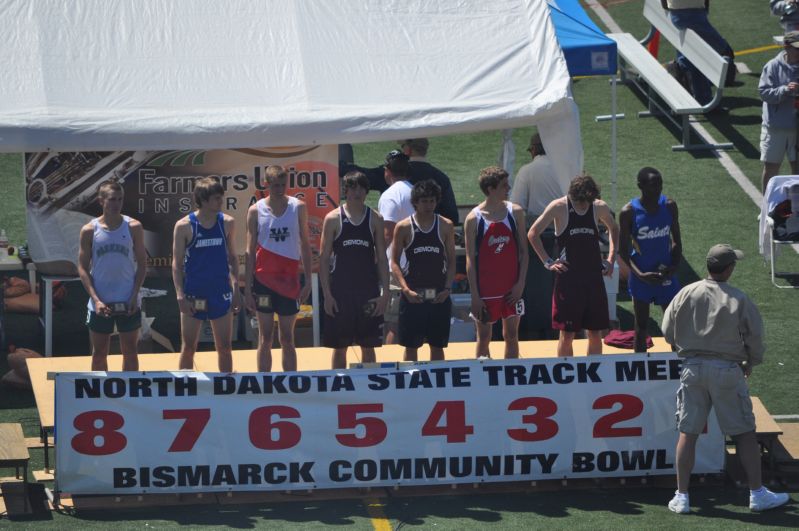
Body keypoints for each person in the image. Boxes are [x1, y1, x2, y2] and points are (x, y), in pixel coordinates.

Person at [662, 244, 791, 514]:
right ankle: (757, 493)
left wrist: (681, 348)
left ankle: (682, 495)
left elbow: (667, 328)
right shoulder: (738, 298)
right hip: (726, 370)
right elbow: (754, 338)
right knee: (744, 433)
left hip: (692, 368)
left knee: (688, 433)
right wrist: (749, 361)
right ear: (729, 269)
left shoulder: (687, 292)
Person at [528, 175, 618, 357]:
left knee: (595, 333)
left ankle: (594, 376)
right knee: (567, 334)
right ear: (573, 196)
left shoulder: (599, 207)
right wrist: (548, 262)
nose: (585, 206)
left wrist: (610, 259)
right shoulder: (559, 207)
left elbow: (614, 229)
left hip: (593, 279)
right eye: (581, 202)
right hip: (568, 281)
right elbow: (533, 233)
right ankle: (565, 377)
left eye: (588, 202)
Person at [244, 165, 312, 372]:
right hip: (264, 282)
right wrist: (247, 289)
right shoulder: (256, 211)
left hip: (289, 283)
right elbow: (249, 251)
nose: (280, 189)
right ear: (266, 185)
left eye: (283, 185)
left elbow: (306, 245)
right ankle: (264, 383)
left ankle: (290, 382)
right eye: (275, 186)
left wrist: (308, 281)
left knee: (287, 337)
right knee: (265, 337)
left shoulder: (298, 207)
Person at [319, 171, 390, 369]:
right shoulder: (333, 219)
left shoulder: (375, 218)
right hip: (341, 293)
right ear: (345, 190)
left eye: (361, 188)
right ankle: (338, 390)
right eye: (352, 188)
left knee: (368, 346)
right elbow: (324, 260)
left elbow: (383, 259)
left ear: (367, 191)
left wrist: (385, 293)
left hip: (367, 293)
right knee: (339, 346)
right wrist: (327, 295)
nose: (357, 192)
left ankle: (370, 386)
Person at [172, 177, 240, 372]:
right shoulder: (184, 225)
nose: (221, 202)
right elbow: (176, 265)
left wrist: (236, 289)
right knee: (189, 348)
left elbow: (233, 258)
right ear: (203, 200)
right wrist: (180, 296)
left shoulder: (227, 222)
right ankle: (184, 391)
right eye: (217, 198)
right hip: (194, 293)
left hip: (220, 292)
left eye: (221, 197)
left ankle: (226, 391)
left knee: (225, 348)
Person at [77, 179, 146, 371]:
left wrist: (134, 295)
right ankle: (99, 398)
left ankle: (130, 396)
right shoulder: (90, 231)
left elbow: (142, 263)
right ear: (101, 201)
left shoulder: (133, 227)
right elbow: (82, 268)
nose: (116, 204)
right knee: (99, 354)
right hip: (101, 301)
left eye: (120, 200)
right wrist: (96, 299)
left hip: (128, 299)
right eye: (112, 200)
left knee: (130, 351)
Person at [464, 166, 528, 359]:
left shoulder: (515, 213)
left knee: (511, 335)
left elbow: (524, 253)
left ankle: (512, 381)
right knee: (483, 337)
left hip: (511, 288)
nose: (508, 188)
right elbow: (470, 259)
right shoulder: (473, 219)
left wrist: (520, 285)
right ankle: (483, 383)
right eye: (504, 185)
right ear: (491, 189)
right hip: (486, 290)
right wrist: (475, 295)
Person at [391, 180, 456, 362]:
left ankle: (438, 387)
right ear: (415, 203)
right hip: (413, 296)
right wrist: (405, 289)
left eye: (432, 201)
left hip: (438, 296)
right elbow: (394, 262)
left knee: (437, 347)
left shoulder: (445, 225)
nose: (429, 205)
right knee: (411, 348)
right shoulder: (403, 227)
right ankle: (410, 386)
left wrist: (448, 289)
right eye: (424, 201)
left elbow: (451, 261)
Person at [618, 167, 682, 353]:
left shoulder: (669, 206)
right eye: (653, 185)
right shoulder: (629, 212)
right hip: (641, 278)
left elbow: (676, 240)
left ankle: (679, 370)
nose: (658, 189)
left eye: (660, 184)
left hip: (666, 276)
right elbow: (623, 251)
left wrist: (674, 266)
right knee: (641, 327)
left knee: (675, 327)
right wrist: (640, 275)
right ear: (640, 186)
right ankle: (640, 374)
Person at [661, 1, 732, 105]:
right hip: (692, 15)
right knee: (723, 51)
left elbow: (664, 4)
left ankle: (683, 69)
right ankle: (704, 98)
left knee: (692, 49)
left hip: (676, 14)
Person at [377, 150, 416, 344]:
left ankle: (391, 366)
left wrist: (375, 260)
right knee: (412, 320)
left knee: (393, 322)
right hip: (418, 265)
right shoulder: (417, 192)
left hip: (396, 266)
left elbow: (387, 233)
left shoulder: (389, 196)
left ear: (387, 171)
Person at [759, 31, 799, 192]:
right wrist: (784, 90)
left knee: (797, 171)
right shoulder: (772, 66)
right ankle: (766, 206)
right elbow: (764, 93)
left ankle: (796, 207)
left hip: (797, 128)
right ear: (786, 47)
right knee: (771, 169)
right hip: (776, 127)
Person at [401, 138, 459, 225]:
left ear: (407, 150)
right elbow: (452, 216)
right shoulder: (442, 177)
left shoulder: (395, 174)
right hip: (435, 233)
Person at [509, 133, 563, 221]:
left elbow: (516, 206)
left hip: (537, 227)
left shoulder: (526, 170)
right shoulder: (566, 168)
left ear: (533, 149)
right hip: (563, 225)